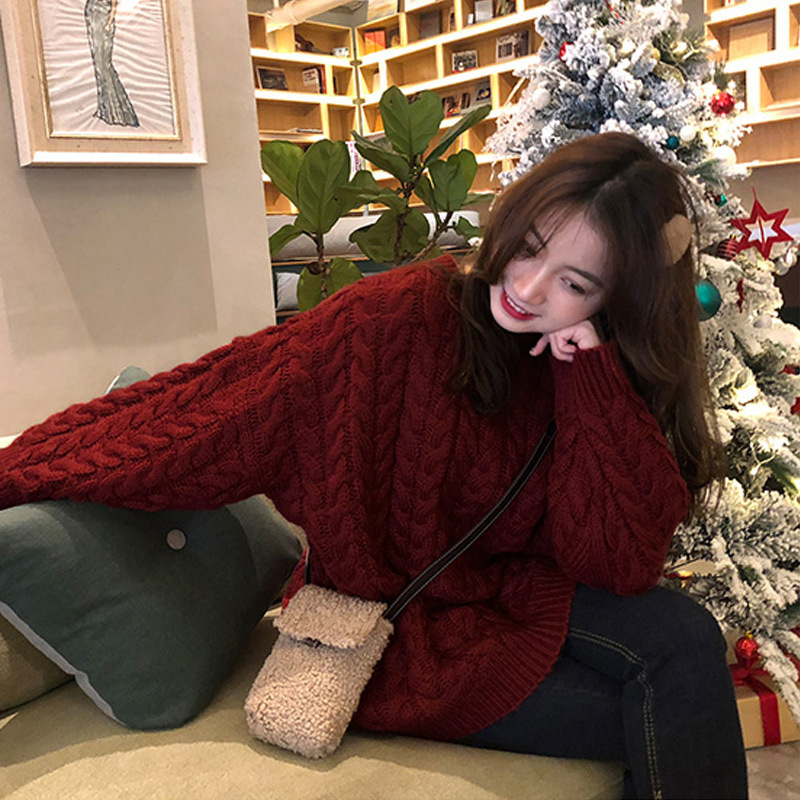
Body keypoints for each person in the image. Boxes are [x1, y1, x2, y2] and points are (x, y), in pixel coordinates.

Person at [0, 132, 747, 798]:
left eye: (575, 283)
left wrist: (591, 382)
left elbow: (617, 563)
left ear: (617, 301)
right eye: (527, 247)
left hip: (503, 598)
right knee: (669, 714)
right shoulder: (392, 322)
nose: (527, 288)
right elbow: (194, 419)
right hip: (393, 636)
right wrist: (19, 467)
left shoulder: (589, 366)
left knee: (683, 639)